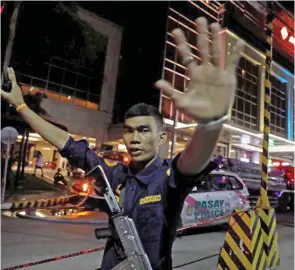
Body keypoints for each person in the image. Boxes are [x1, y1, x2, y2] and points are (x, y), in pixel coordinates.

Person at [1, 17, 244, 270]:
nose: (134, 138)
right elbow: (70, 146)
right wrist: (21, 107)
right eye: (128, 131)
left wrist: (212, 123)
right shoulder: (115, 175)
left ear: (161, 138)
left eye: (143, 130)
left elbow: (192, 162)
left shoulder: (167, 178)